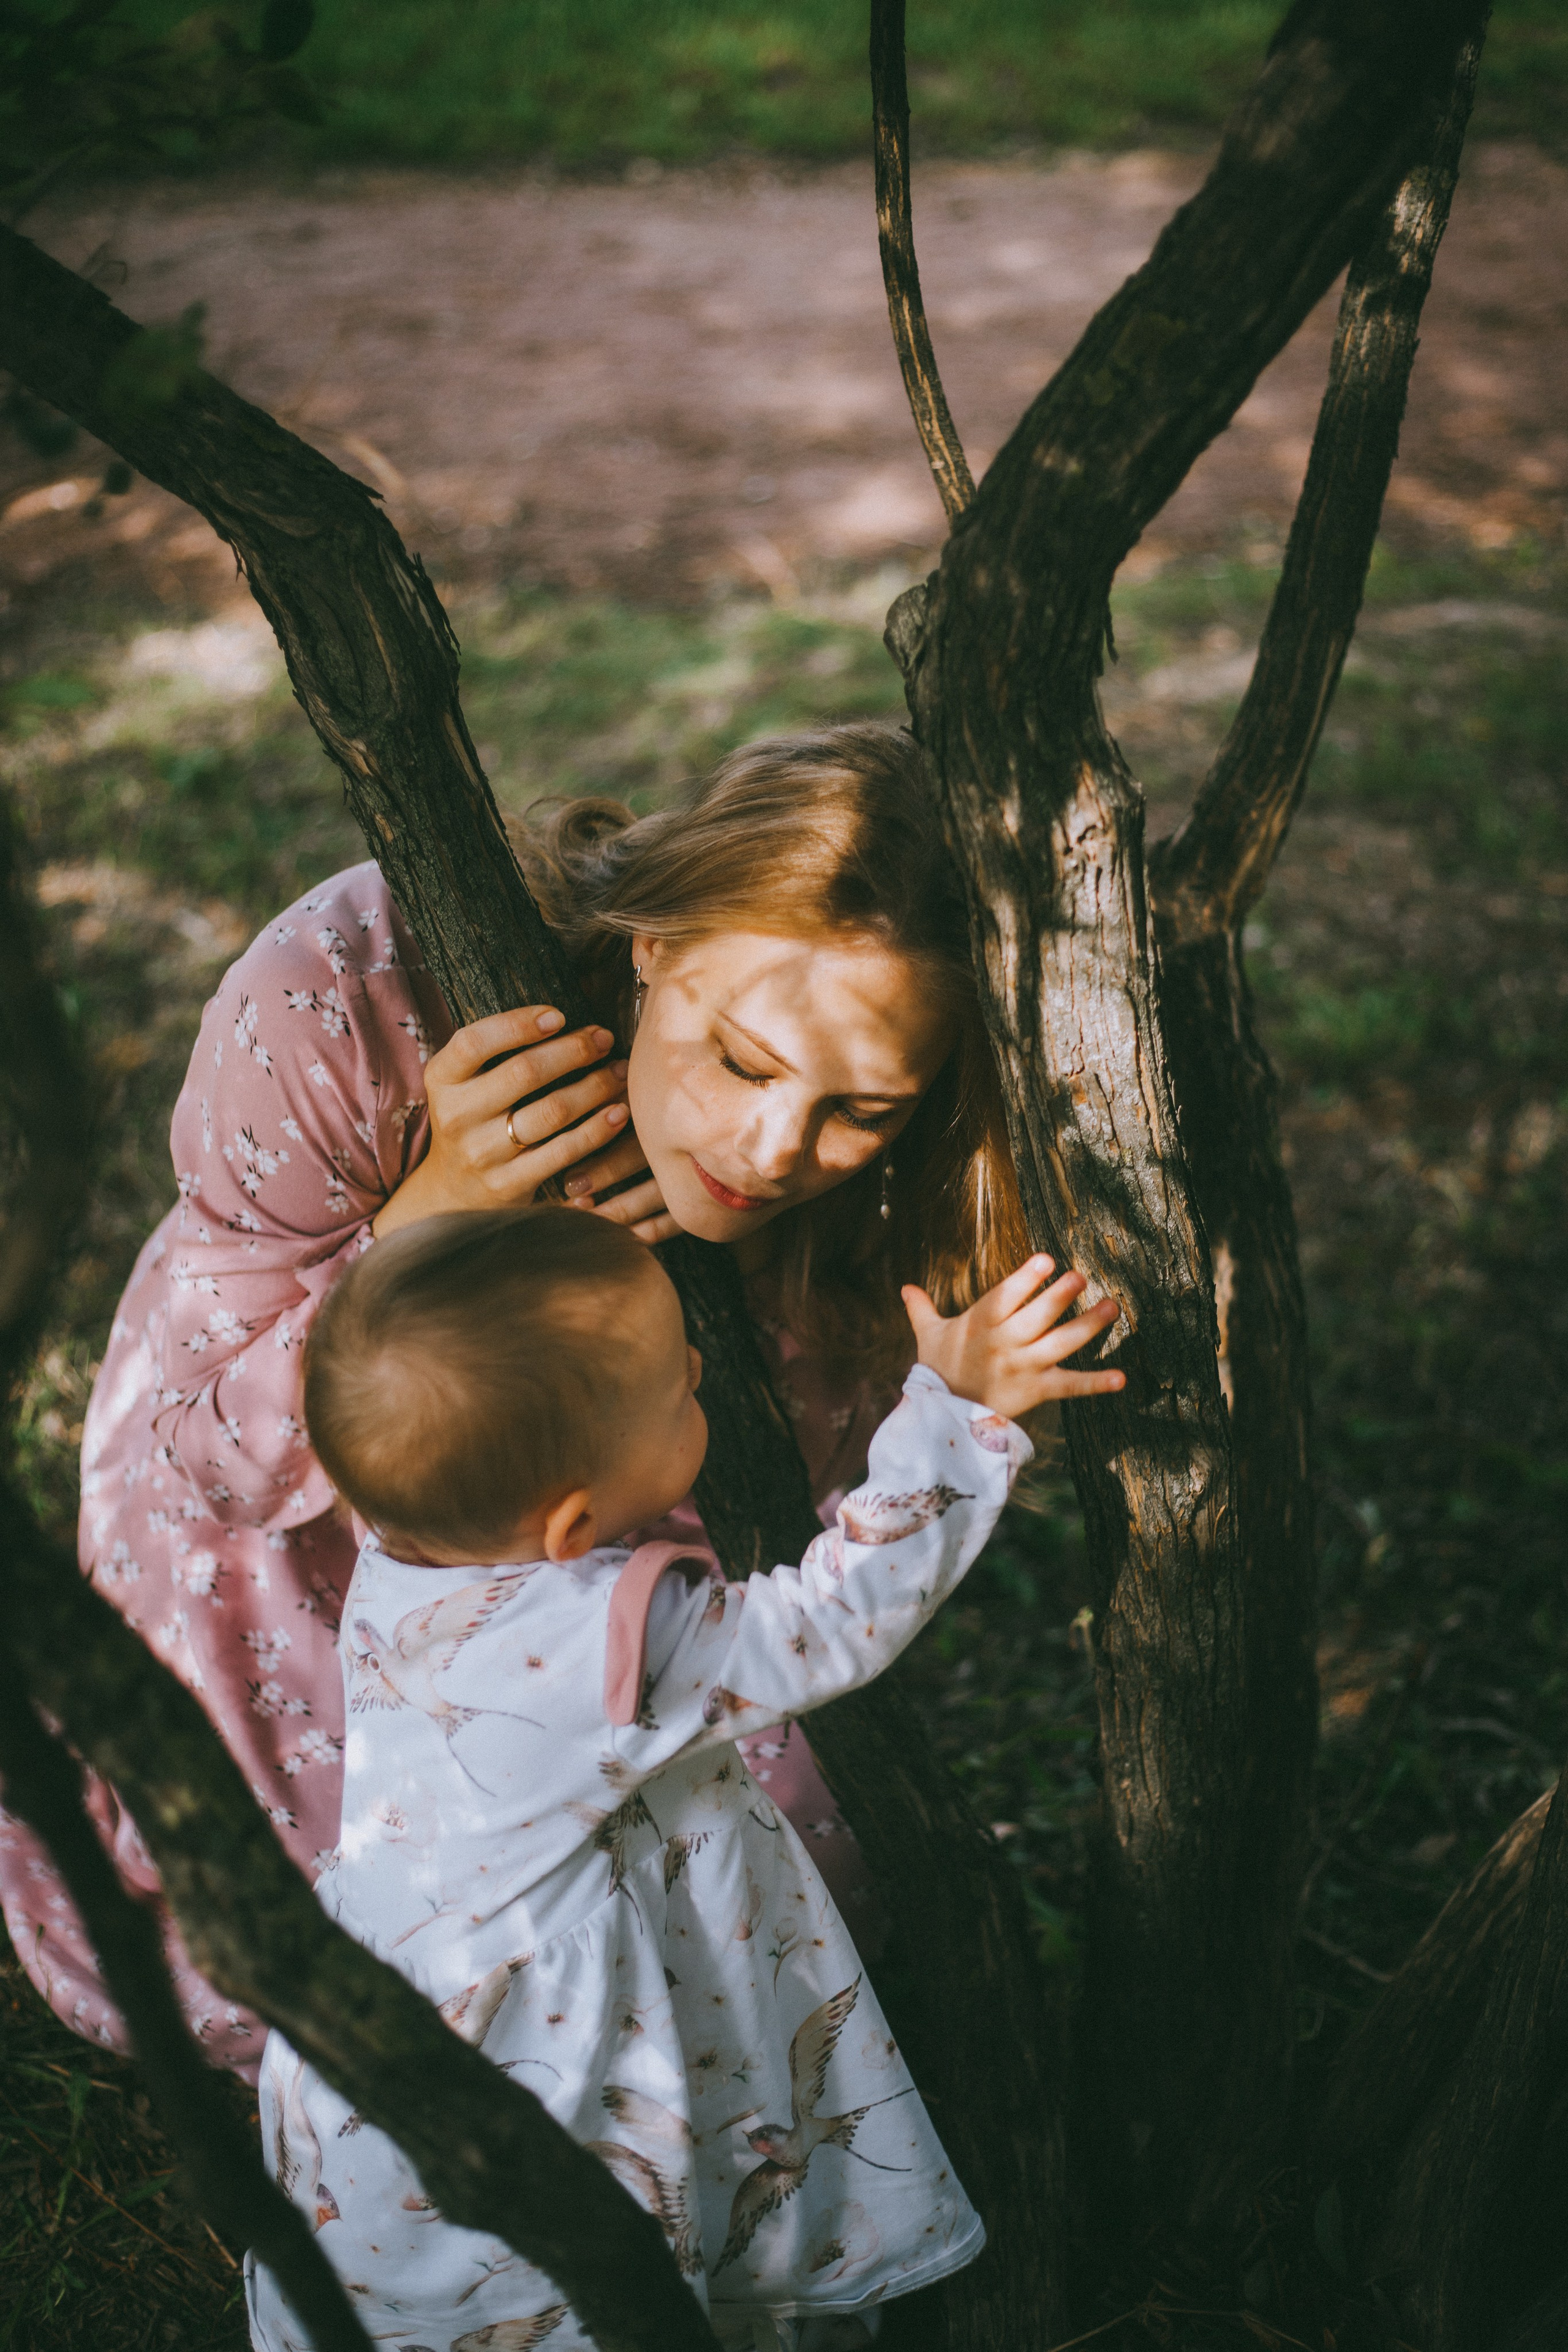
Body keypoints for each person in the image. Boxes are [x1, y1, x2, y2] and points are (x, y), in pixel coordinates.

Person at [0, 724, 1121, 2076]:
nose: (771, 1152)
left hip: (609, 1590)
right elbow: (206, 1465)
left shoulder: (882, 1206)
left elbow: (778, 1561)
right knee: (352, 1971)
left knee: (770, 1924)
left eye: (859, 1110)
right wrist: (434, 1217)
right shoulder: (349, 991)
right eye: (743, 1060)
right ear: (655, 946)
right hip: (283, 1554)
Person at [248, 1204, 1120, 2352]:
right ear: (569, 1523)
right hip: (548, 2050)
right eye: (678, 1390)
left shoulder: (406, 1549)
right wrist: (954, 1414)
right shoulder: (605, 1637)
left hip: (411, 1991)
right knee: (591, 2271)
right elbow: (827, 1622)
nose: (703, 1367)